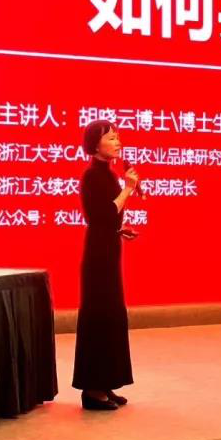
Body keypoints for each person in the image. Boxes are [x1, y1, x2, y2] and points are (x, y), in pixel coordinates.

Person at [72, 120, 139, 410]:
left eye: (117, 137)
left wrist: (119, 230)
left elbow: (110, 219)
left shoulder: (108, 174)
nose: (117, 142)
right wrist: (129, 189)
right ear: (95, 144)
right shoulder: (92, 176)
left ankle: (106, 382)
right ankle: (92, 390)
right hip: (98, 257)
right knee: (99, 315)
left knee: (112, 315)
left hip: (109, 249)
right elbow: (101, 214)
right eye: (110, 138)